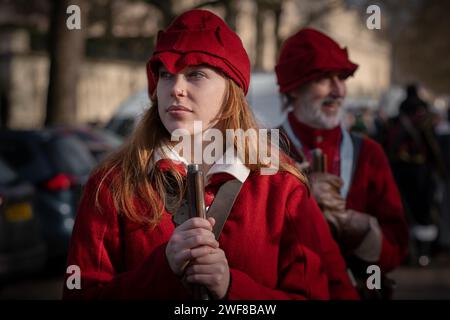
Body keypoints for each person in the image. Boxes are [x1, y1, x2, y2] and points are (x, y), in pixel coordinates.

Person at [62, 10, 357, 300]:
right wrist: (162, 272)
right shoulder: (113, 183)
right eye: (166, 75)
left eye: (195, 74)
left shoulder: (281, 185)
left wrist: (233, 290)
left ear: (231, 91)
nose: (176, 88)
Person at [275, 28, 409, 299]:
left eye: (342, 78)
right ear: (293, 89)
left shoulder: (369, 153)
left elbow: (396, 248)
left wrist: (359, 228)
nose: (338, 91)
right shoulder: (262, 151)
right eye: (324, 79)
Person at [386, 84, 446, 265]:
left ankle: (412, 252)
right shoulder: (422, 121)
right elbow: (433, 148)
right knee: (422, 212)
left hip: (402, 170)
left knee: (409, 212)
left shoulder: (398, 119)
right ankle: (422, 253)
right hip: (420, 172)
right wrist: (440, 170)